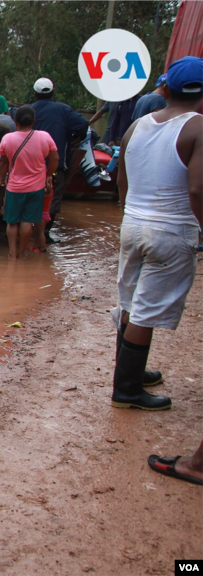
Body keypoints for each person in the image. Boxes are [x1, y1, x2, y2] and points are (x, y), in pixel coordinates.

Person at [111, 55, 203, 411]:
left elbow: (122, 179)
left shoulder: (138, 126)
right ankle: (127, 389)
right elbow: (197, 191)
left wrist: (127, 213)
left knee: (131, 301)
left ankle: (131, 370)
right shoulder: (197, 127)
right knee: (146, 311)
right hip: (171, 228)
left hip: (133, 223)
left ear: (165, 89)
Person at [30, 77, 89, 241]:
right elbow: (83, 124)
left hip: (29, 165)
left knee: (29, 196)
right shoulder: (63, 110)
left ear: (35, 94)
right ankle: (45, 234)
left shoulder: (28, 110)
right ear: (52, 93)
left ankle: (27, 232)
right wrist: (76, 138)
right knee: (52, 197)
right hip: (55, 166)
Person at [0, 105, 58, 258]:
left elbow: (3, 162)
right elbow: (55, 158)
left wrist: (1, 180)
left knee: (12, 222)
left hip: (14, 187)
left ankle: (12, 253)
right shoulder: (44, 136)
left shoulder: (7, 138)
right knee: (27, 222)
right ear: (33, 121)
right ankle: (22, 252)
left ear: (16, 122)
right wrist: (49, 175)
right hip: (36, 188)